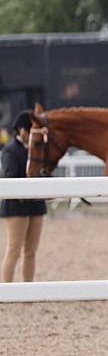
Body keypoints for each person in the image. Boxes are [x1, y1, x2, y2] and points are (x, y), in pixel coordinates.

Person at [1, 110, 48, 282]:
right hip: (17, 206)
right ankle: (6, 289)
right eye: (29, 130)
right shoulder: (10, 151)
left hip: (35, 205)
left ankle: (28, 288)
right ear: (21, 130)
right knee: (14, 250)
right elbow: (9, 177)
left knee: (30, 252)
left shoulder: (37, 149)